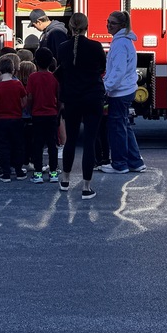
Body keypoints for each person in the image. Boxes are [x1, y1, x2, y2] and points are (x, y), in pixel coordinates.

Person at [54, 12, 106, 199]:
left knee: (71, 140)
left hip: (72, 98)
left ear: (69, 27)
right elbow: (102, 67)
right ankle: (86, 187)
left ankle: (65, 180)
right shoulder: (96, 46)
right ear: (87, 27)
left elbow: (62, 70)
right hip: (93, 96)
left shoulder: (62, 48)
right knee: (90, 142)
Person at [100, 11, 146, 174]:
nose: (108, 25)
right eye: (108, 22)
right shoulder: (125, 42)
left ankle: (120, 164)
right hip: (126, 90)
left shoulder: (119, 44)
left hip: (119, 92)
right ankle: (135, 161)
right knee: (124, 125)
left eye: (112, 23)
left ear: (122, 26)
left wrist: (106, 88)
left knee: (117, 128)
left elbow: (118, 70)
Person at [26, 47, 60, 183]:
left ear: (36, 61)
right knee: (52, 144)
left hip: (37, 114)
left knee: (38, 144)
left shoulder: (33, 77)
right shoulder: (54, 78)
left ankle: (38, 173)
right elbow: (60, 97)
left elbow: (29, 97)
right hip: (52, 113)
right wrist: (58, 110)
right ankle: (53, 172)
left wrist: (30, 108)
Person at [0, 55, 27, 182]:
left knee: (3, 146)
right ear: (13, 70)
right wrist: (18, 108)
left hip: (1, 120)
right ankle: (19, 171)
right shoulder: (18, 84)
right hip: (16, 118)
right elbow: (24, 101)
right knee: (18, 145)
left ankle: (6, 173)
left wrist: (0, 111)